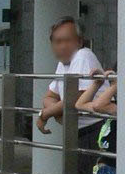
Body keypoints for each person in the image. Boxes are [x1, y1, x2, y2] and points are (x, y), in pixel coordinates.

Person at [37, 17, 102, 163]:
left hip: (96, 130)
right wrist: (59, 111)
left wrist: (45, 114)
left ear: (79, 41)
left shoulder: (82, 56)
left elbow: (75, 98)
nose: (62, 46)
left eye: (68, 41)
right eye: (58, 42)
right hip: (78, 132)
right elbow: (49, 96)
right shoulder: (63, 63)